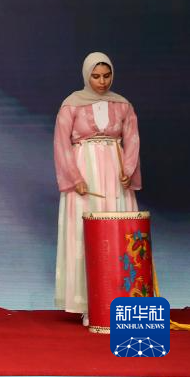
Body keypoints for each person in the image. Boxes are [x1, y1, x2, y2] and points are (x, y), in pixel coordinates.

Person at [53, 52, 140, 326]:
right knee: (86, 234)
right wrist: (74, 177)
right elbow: (61, 143)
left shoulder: (122, 105)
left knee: (117, 232)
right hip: (85, 173)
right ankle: (89, 303)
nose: (102, 81)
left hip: (114, 173)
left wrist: (128, 170)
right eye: (96, 76)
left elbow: (132, 139)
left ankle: (121, 300)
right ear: (86, 75)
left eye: (106, 75)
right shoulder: (71, 104)